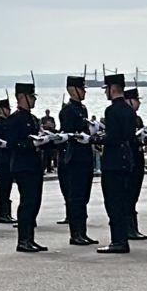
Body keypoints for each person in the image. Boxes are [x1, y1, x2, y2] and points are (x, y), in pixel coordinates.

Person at [5, 82, 53, 253]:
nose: (33, 100)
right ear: (21, 98)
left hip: (34, 165)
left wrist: (48, 139)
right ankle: (23, 239)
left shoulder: (32, 119)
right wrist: (31, 143)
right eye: (31, 97)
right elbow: (12, 143)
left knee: (35, 202)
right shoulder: (15, 119)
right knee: (27, 202)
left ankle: (30, 238)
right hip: (22, 165)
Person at [94, 73, 133, 254]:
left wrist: (96, 138)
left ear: (112, 89)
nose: (106, 94)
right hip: (126, 160)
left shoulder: (112, 111)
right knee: (123, 201)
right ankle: (122, 238)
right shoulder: (128, 109)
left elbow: (113, 138)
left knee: (113, 202)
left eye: (107, 90)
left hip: (113, 162)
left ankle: (118, 240)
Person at [58, 76, 97, 245]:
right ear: (72, 90)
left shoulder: (82, 109)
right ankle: (76, 234)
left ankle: (83, 232)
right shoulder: (67, 111)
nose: (84, 91)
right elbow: (69, 133)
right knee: (76, 197)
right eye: (82, 88)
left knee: (84, 197)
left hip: (85, 157)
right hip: (74, 158)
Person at [123, 87, 147, 241]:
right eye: (136, 99)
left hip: (138, 159)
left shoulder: (137, 118)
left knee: (134, 194)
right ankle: (129, 227)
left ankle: (133, 226)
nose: (138, 103)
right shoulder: (127, 117)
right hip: (130, 160)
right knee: (129, 195)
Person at [0, 98, 16, 224]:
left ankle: (7, 212)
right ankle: (3, 213)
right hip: (2, 159)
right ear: (1, 109)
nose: (9, 110)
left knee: (7, 186)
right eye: (7, 108)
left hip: (9, 157)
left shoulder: (9, 122)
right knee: (3, 186)